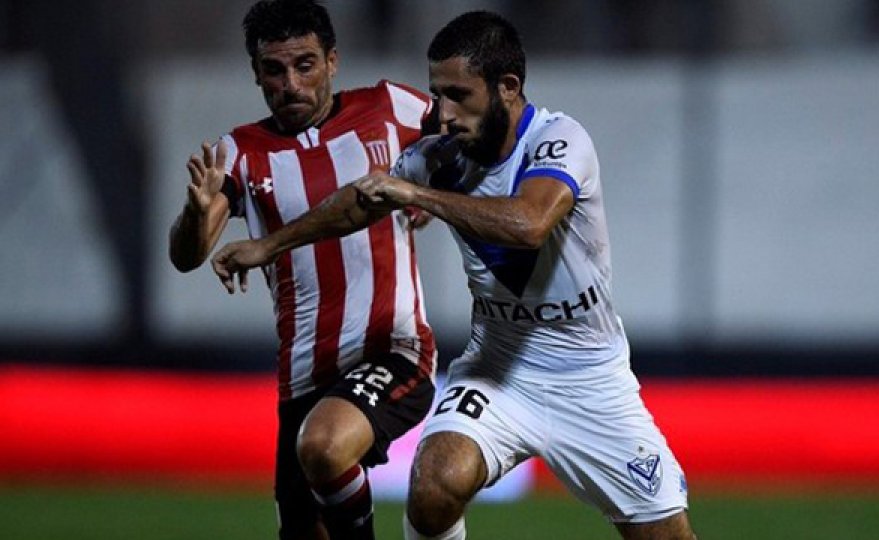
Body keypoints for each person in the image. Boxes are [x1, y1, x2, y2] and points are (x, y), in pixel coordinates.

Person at [213, 10, 697, 540]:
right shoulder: (441, 156)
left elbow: (529, 223)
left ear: (507, 88)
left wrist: (418, 195)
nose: (439, 113)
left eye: (457, 95)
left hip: (589, 379)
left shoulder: (559, 140)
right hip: (497, 372)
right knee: (433, 485)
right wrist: (268, 244)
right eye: (435, 93)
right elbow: (360, 202)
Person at [167, 1, 438, 539]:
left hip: (395, 352)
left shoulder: (391, 107)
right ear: (255, 74)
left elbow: (470, 137)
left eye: (305, 65)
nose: (291, 84)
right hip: (302, 381)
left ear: (333, 61)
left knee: (323, 446)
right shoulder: (240, 152)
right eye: (274, 70)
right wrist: (196, 216)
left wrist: (435, 192)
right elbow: (187, 255)